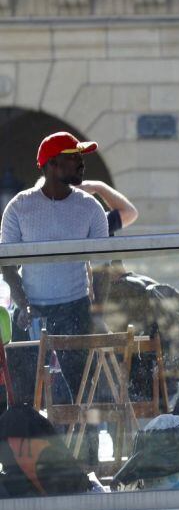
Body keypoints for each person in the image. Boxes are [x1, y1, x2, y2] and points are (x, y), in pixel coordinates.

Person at [1, 132, 109, 402]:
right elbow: (8, 267)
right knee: (22, 396)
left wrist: (96, 314)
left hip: (76, 307)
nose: (82, 164)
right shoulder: (19, 207)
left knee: (85, 395)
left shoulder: (91, 208)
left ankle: (87, 443)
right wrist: (24, 305)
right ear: (52, 164)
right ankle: (25, 441)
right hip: (30, 309)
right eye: (74, 158)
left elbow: (103, 269)